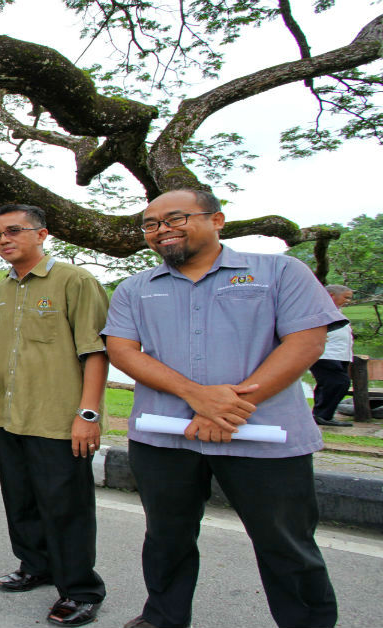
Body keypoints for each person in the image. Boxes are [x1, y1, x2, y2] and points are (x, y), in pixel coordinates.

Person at [103, 189, 342, 628]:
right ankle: (163, 618)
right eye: (151, 225)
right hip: (165, 438)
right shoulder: (135, 288)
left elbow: (306, 341)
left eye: (175, 218)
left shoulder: (280, 272)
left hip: (263, 436)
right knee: (166, 538)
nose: (162, 230)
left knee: (285, 544)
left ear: (217, 220)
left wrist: (229, 408)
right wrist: (196, 395)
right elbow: (122, 350)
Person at [0, 204, 108, 626]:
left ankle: (81, 590)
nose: (3, 240)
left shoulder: (75, 280)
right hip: (12, 417)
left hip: (58, 420)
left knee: (66, 508)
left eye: (12, 231)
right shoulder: (3, 288)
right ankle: (36, 566)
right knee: (22, 501)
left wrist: (88, 414)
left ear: (41, 234)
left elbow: (96, 352)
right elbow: (7, 345)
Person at [310, 284, 354, 427]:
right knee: (340, 382)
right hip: (325, 355)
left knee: (327, 385)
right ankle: (323, 415)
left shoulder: (337, 312)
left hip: (340, 355)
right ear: (331, 295)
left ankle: (320, 415)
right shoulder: (318, 310)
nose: (348, 301)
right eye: (346, 297)